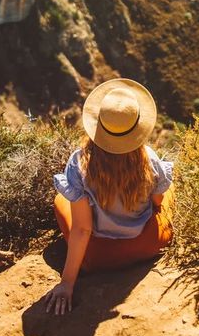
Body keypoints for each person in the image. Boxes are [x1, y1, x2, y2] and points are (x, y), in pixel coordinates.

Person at [44, 77, 174, 316]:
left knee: (61, 200)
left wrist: (67, 283)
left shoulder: (79, 163)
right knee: (167, 192)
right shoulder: (149, 159)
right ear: (137, 127)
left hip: (98, 259)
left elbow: (82, 230)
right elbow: (157, 204)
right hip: (148, 245)